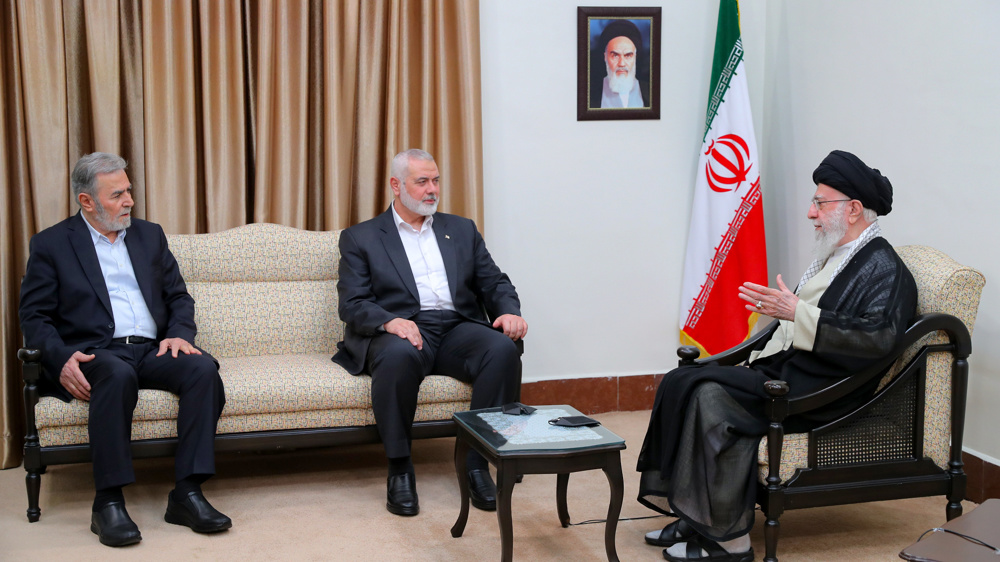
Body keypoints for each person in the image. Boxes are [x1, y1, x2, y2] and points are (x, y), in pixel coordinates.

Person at [636, 150, 917, 562]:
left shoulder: (886, 269)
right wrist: (786, 314)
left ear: (854, 209)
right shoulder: (841, 254)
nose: (811, 212)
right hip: (796, 369)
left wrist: (796, 313)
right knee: (683, 378)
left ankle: (730, 541)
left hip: (826, 390)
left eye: (820, 203)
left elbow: (878, 340)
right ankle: (698, 514)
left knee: (709, 395)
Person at [19, 153, 230, 547]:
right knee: (117, 375)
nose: (130, 200)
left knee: (202, 371)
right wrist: (60, 356)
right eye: (118, 195)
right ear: (87, 201)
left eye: (129, 190)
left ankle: (187, 492)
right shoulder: (51, 244)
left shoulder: (150, 235)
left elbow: (179, 297)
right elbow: (34, 317)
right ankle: (108, 502)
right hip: (97, 351)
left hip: (153, 347)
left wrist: (180, 333)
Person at [333, 149, 527, 517]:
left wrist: (509, 312)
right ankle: (400, 467)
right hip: (402, 329)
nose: (432, 189)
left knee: (502, 348)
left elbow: (494, 282)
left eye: (436, 180)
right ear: (396, 185)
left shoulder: (462, 229)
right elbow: (352, 303)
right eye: (422, 181)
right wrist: (389, 322)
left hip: (456, 327)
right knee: (396, 356)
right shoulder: (361, 238)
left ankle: (476, 463)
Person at [593, 19, 647, 109]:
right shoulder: (590, 94)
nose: (621, 64)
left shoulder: (650, 92)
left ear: (635, 57)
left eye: (628, 56)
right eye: (615, 55)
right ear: (605, 57)